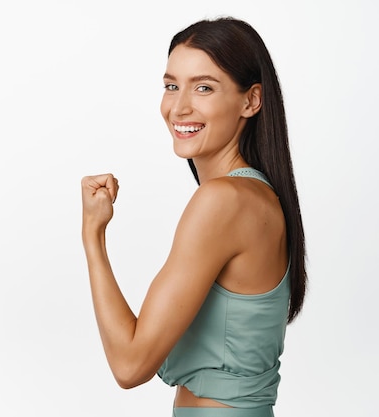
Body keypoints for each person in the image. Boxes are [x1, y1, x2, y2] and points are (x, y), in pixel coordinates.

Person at [80, 17, 306, 417]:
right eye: (172, 85)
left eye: (203, 87)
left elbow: (130, 364)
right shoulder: (257, 196)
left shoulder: (224, 201)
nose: (179, 106)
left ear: (251, 101)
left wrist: (93, 238)